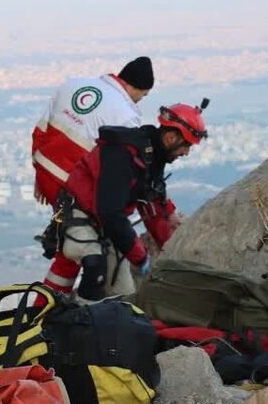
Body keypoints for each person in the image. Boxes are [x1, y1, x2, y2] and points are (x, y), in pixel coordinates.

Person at [43, 102, 209, 301]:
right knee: (95, 265)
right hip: (79, 215)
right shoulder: (123, 154)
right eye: (187, 145)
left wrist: (170, 248)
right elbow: (110, 212)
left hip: (104, 226)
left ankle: (87, 313)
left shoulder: (152, 157)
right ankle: (78, 316)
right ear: (171, 138)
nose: (186, 153)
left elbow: (152, 205)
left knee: (124, 296)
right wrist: (140, 257)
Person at [32, 56, 154, 207]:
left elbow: (40, 130)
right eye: (143, 95)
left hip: (45, 173)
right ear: (137, 87)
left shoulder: (72, 84)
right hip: (73, 189)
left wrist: (40, 174)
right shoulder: (127, 117)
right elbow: (117, 171)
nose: (140, 100)